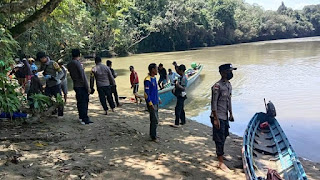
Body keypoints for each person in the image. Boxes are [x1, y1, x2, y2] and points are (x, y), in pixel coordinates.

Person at [210, 63, 237, 172]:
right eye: (228, 71)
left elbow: (229, 100)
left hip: (225, 116)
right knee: (219, 138)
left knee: (225, 134)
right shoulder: (217, 86)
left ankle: (220, 154)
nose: (230, 73)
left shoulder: (228, 85)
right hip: (218, 116)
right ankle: (220, 162)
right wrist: (216, 118)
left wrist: (231, 113)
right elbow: (213, 103)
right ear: (222, 73)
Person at [67, 49, 92, 125]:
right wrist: (88, 87)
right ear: (79, 55)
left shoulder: (69, 64)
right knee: (84, 102)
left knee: (79, 101)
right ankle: (85, 119)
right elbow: (83, 76)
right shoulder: (78, 63)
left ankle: (81, 117)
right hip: (81, 85)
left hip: (75, 84)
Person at [37, 51, 64, 118]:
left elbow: (61, 73)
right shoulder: (42, 64)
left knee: (59, 98)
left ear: (44, 57)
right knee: (47, 98)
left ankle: (60, 113)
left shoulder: (53, 63)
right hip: (48, 84)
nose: (41, 61)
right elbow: (39, 70)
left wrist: (55, 78)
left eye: (41, 59)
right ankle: (53, 111)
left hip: (55, 84)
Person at [144, 63, 161, 141]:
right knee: (154, 119)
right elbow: (146, 93)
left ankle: (153, 134)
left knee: (156, 119)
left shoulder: (154, 78)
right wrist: (150, 103)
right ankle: (153, 136)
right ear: (153, 70)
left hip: (156, 101)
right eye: (156, 68)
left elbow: (155, 91)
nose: (157, 70)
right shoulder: (147, 80)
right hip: (152, 103)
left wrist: (158, 98)